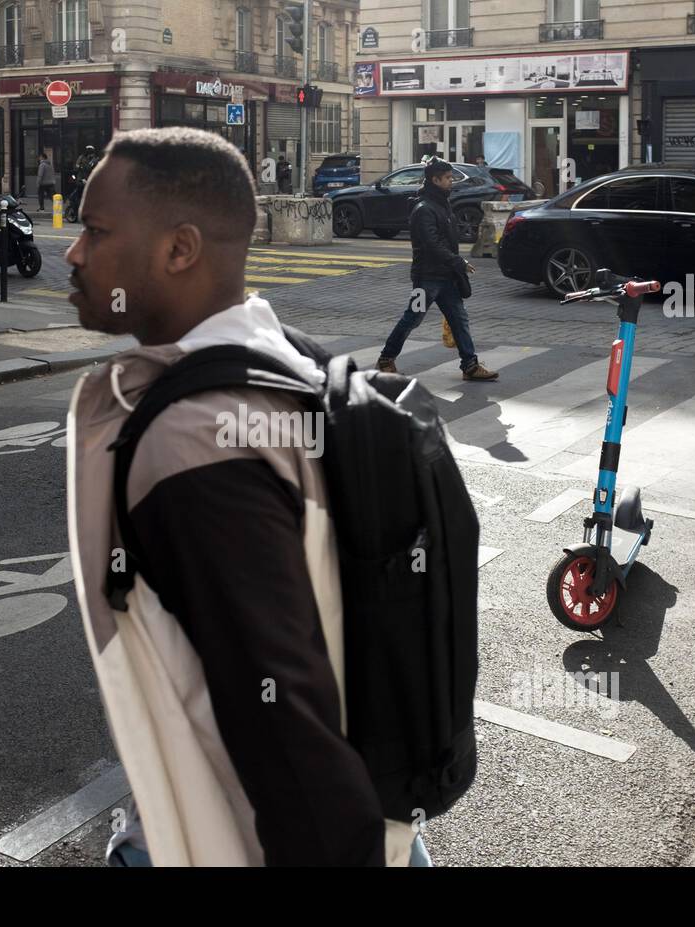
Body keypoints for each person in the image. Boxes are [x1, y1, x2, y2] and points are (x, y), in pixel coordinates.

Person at [62, 127, 431, 867]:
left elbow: (283, 718)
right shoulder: (296, 361)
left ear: (179, 249)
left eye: (95, 231)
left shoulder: (196, 440)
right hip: (387, 825)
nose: (73, 254)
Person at [376, 159, 497, 382]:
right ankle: (386, 359)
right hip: (427, 279)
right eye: (448, 178)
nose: (452, 181)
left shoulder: (441, 203)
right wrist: (458, 262)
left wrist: (454, 266)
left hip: (447, 279)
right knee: (412, 318)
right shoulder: (424, 209)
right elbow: (433, 245)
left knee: (459, 320)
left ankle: (470, 365)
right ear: (435, 180)